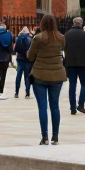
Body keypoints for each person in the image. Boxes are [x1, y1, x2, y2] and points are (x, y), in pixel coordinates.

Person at [27, 14, 67, 144]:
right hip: (57, 74)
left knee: (42, 107)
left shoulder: (38, 38)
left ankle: (44, 137)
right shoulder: (61, 38)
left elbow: (30, 56)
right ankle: (55, 136)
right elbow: (64, 52)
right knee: (55, 106)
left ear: (42, 24)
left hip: (40, 74)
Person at [63, 17, 85, 115]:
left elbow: (64, 48)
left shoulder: (67, 35)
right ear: (81, 24)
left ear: (73, 23)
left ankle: (72, 107)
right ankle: (81, 104)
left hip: (70, 63)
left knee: (72, 84)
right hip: (84, 63)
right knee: (84, 84)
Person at [13, 26, 34, 98]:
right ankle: (27, 93)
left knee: (18, 76)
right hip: (27, 60)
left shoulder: (18, 38)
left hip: (20, 59)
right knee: (27, 76)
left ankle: (16, 92)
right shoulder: (30, 38)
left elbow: (15, 50)